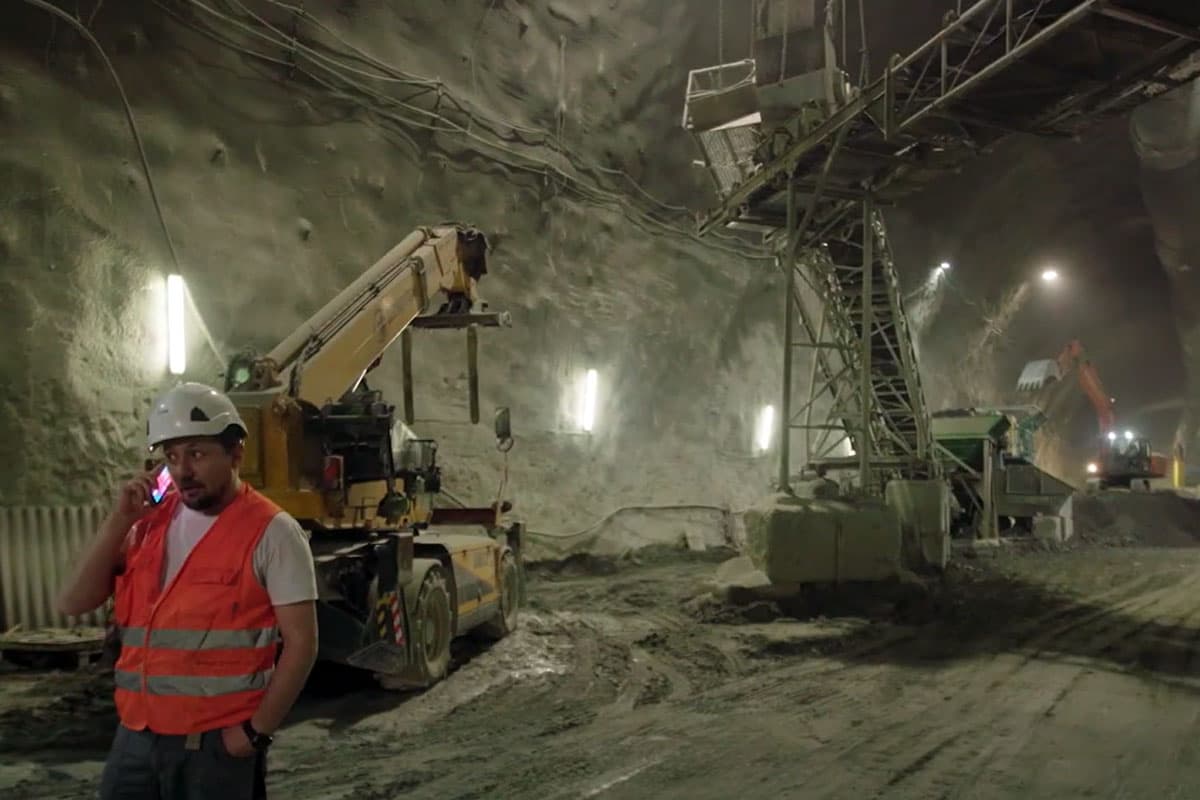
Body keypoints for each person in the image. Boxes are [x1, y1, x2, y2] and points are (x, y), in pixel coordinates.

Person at [57, 382, 319, 800]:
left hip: (214, 745)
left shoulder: (273, 532)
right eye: (172, 457)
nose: (182, 471)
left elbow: (302, 644)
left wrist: (256, 733)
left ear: (236, 454)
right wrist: (118, 520)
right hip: (135, 735)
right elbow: (72, 602)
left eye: (197, 454)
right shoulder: (146, 524)